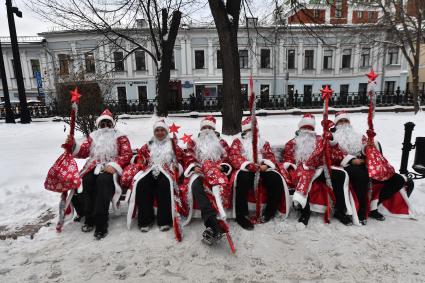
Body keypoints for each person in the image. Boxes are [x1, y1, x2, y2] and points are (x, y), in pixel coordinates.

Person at [332, 110, 413, 224]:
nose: (344, 123)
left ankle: (374, 204)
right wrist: (352, 160)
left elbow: (367, 148)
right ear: (336, 124)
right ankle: (362, 210)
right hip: (344, 165)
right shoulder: (332, 138)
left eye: (346, 120)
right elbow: (332, 154)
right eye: (340, 121)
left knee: (397, 180)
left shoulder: (359, 136)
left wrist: (368, 147)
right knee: (362, 175)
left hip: (365, 163)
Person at [67, 109, 132, 239]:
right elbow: (83, 151)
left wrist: (114, 166)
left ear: (112, 124)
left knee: (103, 181)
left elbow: (126, 154)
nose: (105, 127)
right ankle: (89, 219)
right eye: (102, 124)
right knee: (87, 181)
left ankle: (101, 222)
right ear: (98, 125)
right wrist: (73, 144)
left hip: (111, 168)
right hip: (93, 166)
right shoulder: (93, 136)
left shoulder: (121, 137)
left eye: (108, 123)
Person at [282, 113, 356, 226]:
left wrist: (331, 140)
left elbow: (336, 154)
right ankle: (304, 212)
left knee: (341, 175)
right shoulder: (291, 143)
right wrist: (294, 168)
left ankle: (340, 211)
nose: (307, 130)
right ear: (299, 128)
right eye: (304, 127)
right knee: (303, 176)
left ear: (313, 129)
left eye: (310, 128)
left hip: (319, 169)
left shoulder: (321, 140)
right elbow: (288, 161)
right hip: (301, 170)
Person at [121, 119, 188, 233]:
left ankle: (164, 221)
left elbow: (182, 159)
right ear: (154, 132)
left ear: (166, 132)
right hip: (150, 170)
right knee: (142, 185)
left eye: (162, 130)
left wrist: (178, 167)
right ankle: (145, 220)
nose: (159, 133)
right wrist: (140, 160)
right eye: (157, 130)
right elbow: (140, 156)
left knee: (164, 185)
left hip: (167, 171)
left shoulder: (173, 144)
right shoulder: (149, 144)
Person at [228, 116, 291, 230]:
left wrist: (266, 164)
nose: (250, 133)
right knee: (242, 180)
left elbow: (270, 156)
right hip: (246, 168)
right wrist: (251, 166)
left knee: (275, 179)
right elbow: (234, 156)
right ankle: (241, 215)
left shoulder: (263, 143)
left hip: (262, 168)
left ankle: (269, 212)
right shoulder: (238, 142)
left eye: (252, 130)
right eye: (247, 130)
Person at [179, 115, 232, 244]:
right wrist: (194, 166)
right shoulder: (193, 143)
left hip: (217, 173)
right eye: (204, 127)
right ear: (201, 129)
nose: (207, 130)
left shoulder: (222, 143)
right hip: (199, 172)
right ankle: (213, 224)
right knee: (196, 186)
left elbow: (227, 157)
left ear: (214, 130)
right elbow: (188, 157)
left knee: (218, 187)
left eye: (209, 127)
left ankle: (214, 224)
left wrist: (223, 166)